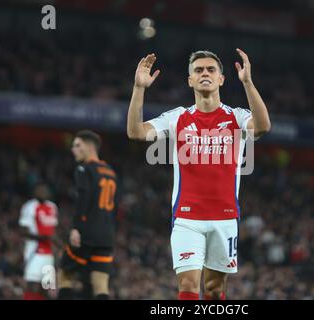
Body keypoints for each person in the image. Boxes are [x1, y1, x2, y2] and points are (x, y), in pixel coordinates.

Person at [127, 49, 271, 300]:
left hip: (225, 218)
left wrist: (247, 82)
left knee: (215, 290)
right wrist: (139, 89)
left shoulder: (236, 116)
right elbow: (136, 132)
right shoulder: (177, 117)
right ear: (190, 80)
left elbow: (263, 126)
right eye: (199, 70)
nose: (205, 73)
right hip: (186, 218)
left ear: (221, 79)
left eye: (211, 70)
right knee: (189, 285)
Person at [58, 130, 119, 300]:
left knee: (65, 274)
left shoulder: (84, 169)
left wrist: (76, 228)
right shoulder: (111, 172)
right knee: (101, 284)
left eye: (77, 145)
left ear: (89, 147)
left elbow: (83, 198)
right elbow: (115, 207)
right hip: (106, 235)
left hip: (86, 232)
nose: (73, 150)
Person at [19, 182, 59, 300]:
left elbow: (53, 230)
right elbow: (23, 231)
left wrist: (57, 245)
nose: (43, 192)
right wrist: (43, 237)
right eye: (40, 190)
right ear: (34, 192)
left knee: (46, 286)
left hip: (49, 252)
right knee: (32, 284)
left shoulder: (53, 207)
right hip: (34, 251)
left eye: (45, 190)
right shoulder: (29, 206)